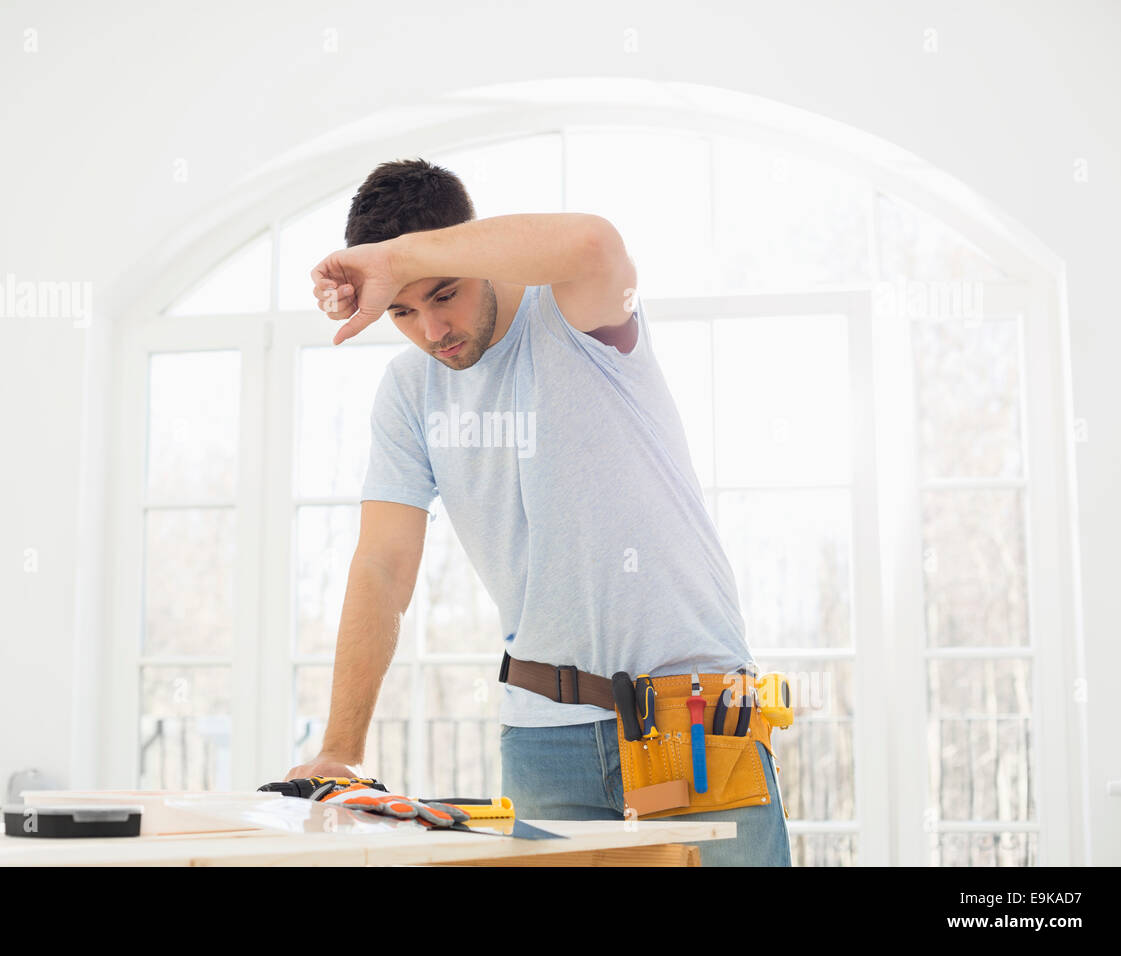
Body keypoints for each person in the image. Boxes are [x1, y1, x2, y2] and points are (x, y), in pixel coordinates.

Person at [285, 157, 791, 865]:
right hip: (543, 743)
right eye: (401, 311)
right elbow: (382, 566)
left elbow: (595, 241)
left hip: (693, 719)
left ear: (471, 247)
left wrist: (395, 259)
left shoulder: (580, 313)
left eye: (443, 294)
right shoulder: (409, 394)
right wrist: (339, 748)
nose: (432, 329)